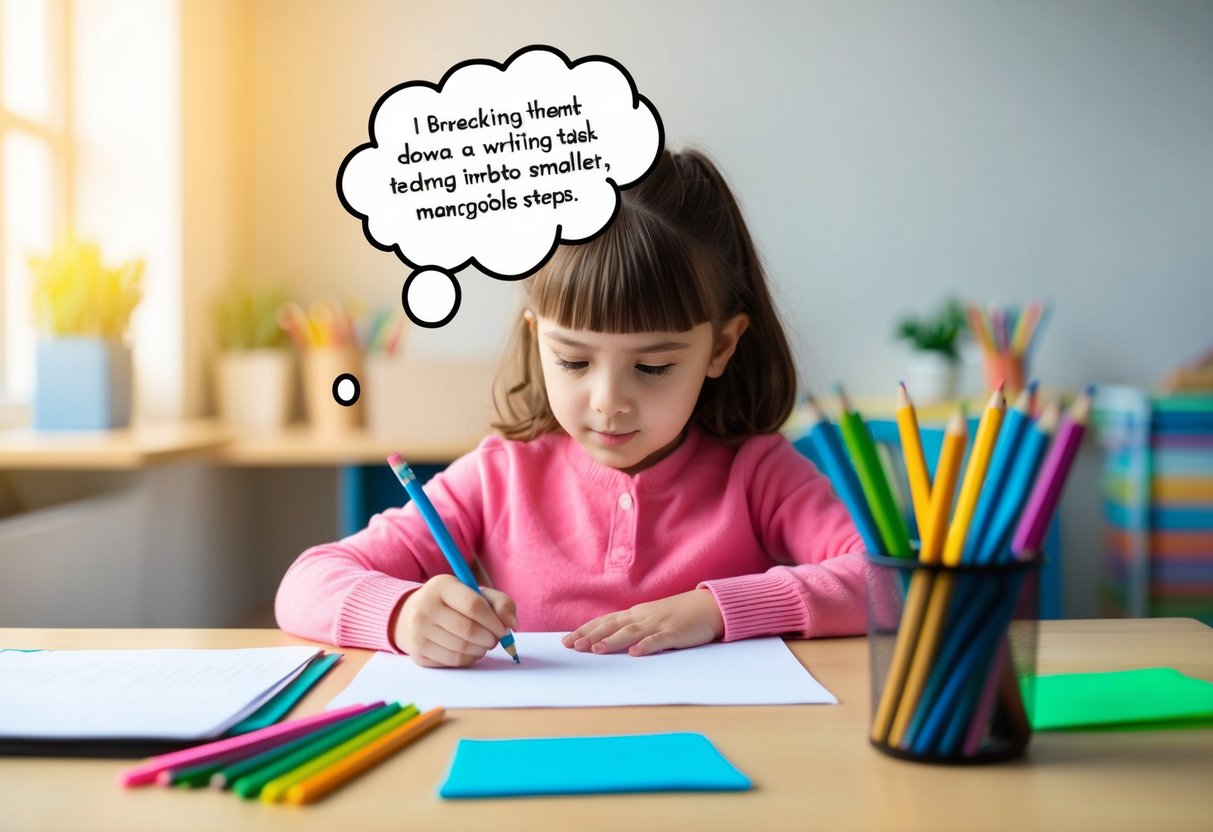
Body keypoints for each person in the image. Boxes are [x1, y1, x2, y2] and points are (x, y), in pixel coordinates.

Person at [275, 149, 867, 667]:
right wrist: (403, 613)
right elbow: (305, 583)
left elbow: (886, 581)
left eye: (654, 366)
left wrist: (715, 608)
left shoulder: (758, 472)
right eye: (575, 361)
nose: (609, 402)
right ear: (538, 338)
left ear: (721, 346)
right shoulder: (501, 475)